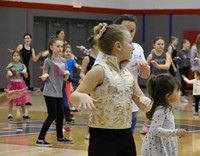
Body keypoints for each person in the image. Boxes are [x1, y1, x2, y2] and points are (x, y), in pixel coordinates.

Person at [70, 23, 153, 156]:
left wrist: (146, 101)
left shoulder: (128, 75)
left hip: (126, 137)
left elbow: (145, 108)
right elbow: (74, 96)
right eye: (130, 43)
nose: (133, 47)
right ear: (118, 46)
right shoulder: (99, 70)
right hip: (102, 139)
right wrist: (81, 96)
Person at [113, 14, 150, 134]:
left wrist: (143, 66)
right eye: (125, 30)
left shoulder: (137, 48)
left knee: (127, 142)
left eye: (132, 30)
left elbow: (145, 75)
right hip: (113, 104)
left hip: (132, 105)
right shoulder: (109, 48)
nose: (129, 33)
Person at [36, 37, 73, 147]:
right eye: (58, 46)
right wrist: (44, 76)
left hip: (59, 92)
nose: (60, 48)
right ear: (51, 47)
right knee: (52, 115)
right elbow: (44, 77)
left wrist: (67, 74)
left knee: (60, 115)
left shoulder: (63, 61)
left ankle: (60, 137)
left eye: (61, 46)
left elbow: (65, 79)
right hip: (49, 91)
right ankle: (40, 139)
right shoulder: (48, 61)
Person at [141, 74, 187, 156]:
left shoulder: (167, 108)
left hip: (164, 143)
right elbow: (155, 130)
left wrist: (175, 133)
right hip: (158, 147)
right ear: (168, 96)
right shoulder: (161, 110)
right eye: (177, 90)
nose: (180, 92)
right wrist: (175, 132)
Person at [140, 36, 171, 134]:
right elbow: (145, 67)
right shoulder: (151, 56)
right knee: (151, 104)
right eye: (158, 44)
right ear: (154, 45)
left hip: (165, 82)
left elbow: (167, 66)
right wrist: (144, 65)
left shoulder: (166, 54)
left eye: (162, 44)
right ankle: (145, 126)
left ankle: (165, 125)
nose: (160, 46)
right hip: (154, 82)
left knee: (166, 103)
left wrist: (158, 66)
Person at [8, 33, 42, 105]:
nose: (27, 39)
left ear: (31, 39)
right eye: (26, 38)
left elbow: (34, 59)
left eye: (28, 38)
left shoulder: (32, 49)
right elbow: (16, 55)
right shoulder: (20, 46)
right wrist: (13, 52)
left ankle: (26, 100)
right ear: (24, 39)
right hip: (19, 68)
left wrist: (39, 54)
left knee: (26, 85)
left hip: (26, 69)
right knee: (18, 84)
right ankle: (17, 101)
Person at [6, 51, 31, 120]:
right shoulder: (10, 65)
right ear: (12, 57)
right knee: (11, 99)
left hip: (20, 84)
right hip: (12, 84)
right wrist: (9, 74)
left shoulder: (22, 65)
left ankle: (24, 114)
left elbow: (26, 76)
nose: (16, 57)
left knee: (22, 99)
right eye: (14, 55)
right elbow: (7, 76)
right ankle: (10, 114)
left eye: (17, 55)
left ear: (20, 57)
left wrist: (25, 72)